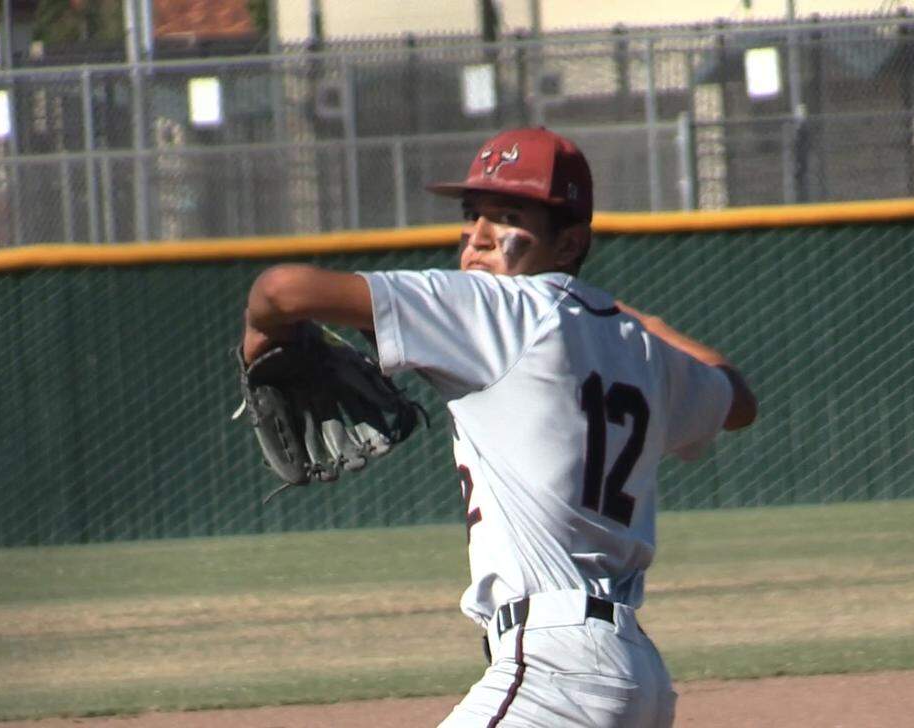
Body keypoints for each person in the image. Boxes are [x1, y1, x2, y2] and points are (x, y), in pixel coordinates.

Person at [242, 127, 757, 727]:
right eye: (472, 215)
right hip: (634, 674)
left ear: (567, 245)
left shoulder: (496, 308)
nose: (479, 237)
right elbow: (738, 400)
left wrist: (259, 341)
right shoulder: (639, 350)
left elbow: (279, 290)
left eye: (507, 216)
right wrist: (640, 320)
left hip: (551, 673)